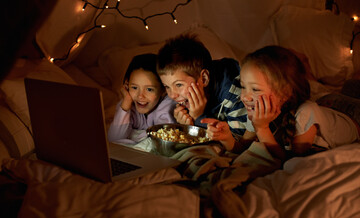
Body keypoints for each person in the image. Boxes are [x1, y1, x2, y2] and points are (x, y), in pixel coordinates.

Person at [202, 45, 360, 161]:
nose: (245, 97)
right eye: (243, 86)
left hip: (351, 114)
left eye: (255, 89)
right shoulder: (256, 111)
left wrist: (262, 128)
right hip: (325, 106)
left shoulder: (305, 113)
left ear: (284, 93)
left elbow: (290, 163)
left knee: (350, 88)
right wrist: (227, 137)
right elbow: (243, 149)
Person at [157, 34, 247, 138]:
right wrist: (188, 125)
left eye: (179, 85)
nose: (172, 95)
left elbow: (238, 141)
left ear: (204, 78)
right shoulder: (187, 97)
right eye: (167, 86)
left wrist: (198, 118)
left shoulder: (235, 93)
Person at [107, 53, 176, 144]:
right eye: (134, 88)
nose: (140, 96)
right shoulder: (127, 104)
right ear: (127, 85)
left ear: (163, 90)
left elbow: (163, 140)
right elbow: (113, 139)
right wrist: (126, 102)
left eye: (149, 89)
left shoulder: (167, 105)